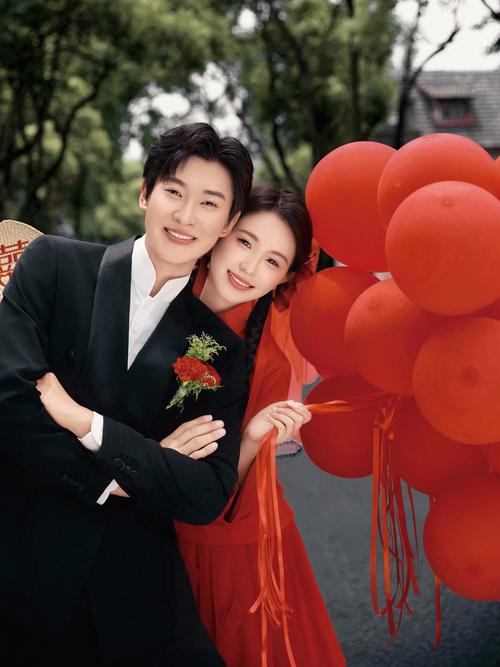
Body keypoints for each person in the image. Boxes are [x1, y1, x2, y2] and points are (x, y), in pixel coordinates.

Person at [0, 123, 254, 666]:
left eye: (209, 203)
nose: (186, 216)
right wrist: (132, 473)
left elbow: (205, 493)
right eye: (174, 192)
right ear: (145, 192)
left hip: (140, 595)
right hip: (24, 562)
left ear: (229, 222)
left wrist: (87, 424)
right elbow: (9, 406)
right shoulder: (53, 264)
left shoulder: (220, 352)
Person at [173, 186, 347, 666]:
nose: (249, 268)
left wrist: (251, 439)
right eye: (245, 242)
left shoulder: (268, 361)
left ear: (285, 278)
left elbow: (232, 489)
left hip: (230, 544)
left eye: (272, 261)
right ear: (223, 230)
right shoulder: (156, 295)